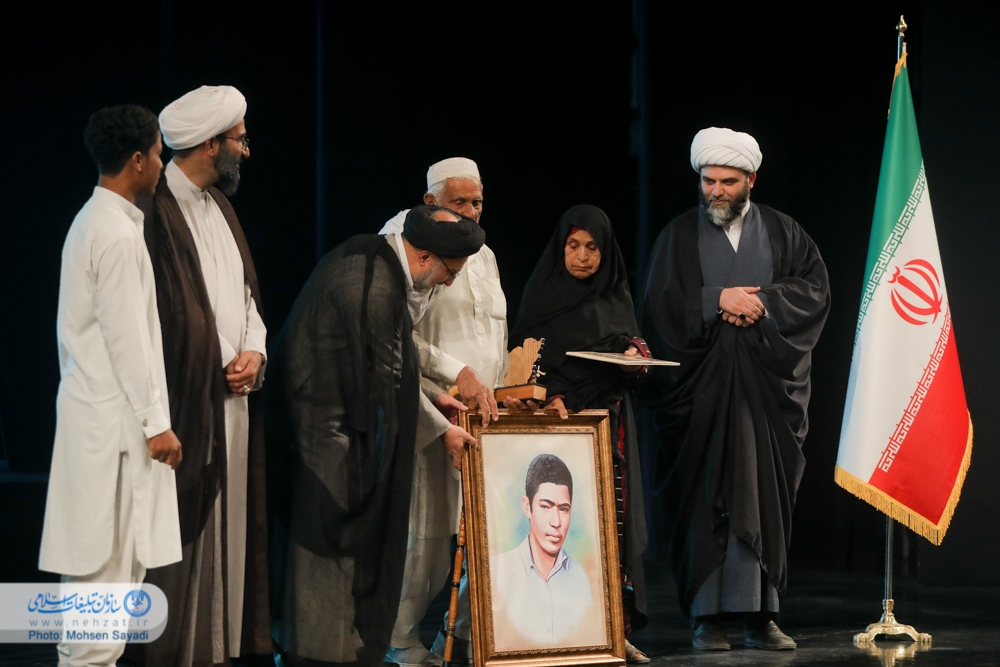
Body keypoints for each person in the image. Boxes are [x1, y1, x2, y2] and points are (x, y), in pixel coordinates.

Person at [638, 127, 830, 651]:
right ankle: (707, 618)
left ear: (751, 180)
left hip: (764, 398)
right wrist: (715, 300)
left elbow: (815, 291)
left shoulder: (785, 233)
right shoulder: (678, 235)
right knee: (705, 501)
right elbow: (657, 305)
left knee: (760, 498)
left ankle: (761, 616)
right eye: (708, 181)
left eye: (727, 181)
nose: (716, 191)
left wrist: (764, 302)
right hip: (699, 400)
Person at [268, 206, 484, 667]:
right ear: (424, 258)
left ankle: (335, 650)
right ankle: (319, 656)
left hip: (336, 428)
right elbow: (387, 378)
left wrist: (434, 397)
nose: (449, 283)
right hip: (321, 434)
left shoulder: (376, 262)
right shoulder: (372, 283)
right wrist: (443, 430)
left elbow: (394, 366)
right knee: (326, 547)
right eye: (449, 272)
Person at [38, 105, 183, 666]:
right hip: (114, 430)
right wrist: (157, 424)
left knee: (106, 584)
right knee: (103, 583)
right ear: (139, 160)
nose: (163, 165)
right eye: (159, 154)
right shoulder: (115, 234)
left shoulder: (99, 222)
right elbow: (128, 340)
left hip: (100, 422)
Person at [131, 85, 271, 665]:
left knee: (227, 529)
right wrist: (222, 359)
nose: (246, 150)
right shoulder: (155, 209)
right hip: (184, 403)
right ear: (211, 144)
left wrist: (254, 351)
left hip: (233, 398)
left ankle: (215, 650)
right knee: (184, 536)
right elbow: (166, 308)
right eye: (240, 140)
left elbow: (245, 295)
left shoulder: (220, 207)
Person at [509, 204, 650, 662]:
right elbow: (523, 359)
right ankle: (549, 631)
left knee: (610, 527)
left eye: (592, 247)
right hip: (556, 427)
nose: (583, 257)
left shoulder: (615, 295)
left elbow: (633, 351)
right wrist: (552, 395)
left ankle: (612, 633)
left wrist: (634, 354)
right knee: (559, 529)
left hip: (609, 426)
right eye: (573, 246)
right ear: (561, 247)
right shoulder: (542, 294)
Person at [379, 157, 505, 667]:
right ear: (430, 203)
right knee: (427, 535)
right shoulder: (404, 241)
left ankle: (463, 636)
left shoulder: (484, 254)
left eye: (478, 202)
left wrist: (500, 389)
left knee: (489, 532)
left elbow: (493, 333)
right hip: (431, 407)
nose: (471, 211)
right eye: (460, 202)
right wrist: (455, 377)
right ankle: (400, 639)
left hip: (482, 415)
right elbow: (395, 335)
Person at [492, 454, 597, 649]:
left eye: (564, 509)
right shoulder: (498, 572)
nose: (556, 522)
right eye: (545, 507)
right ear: (527, 506)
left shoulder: (580, 578)